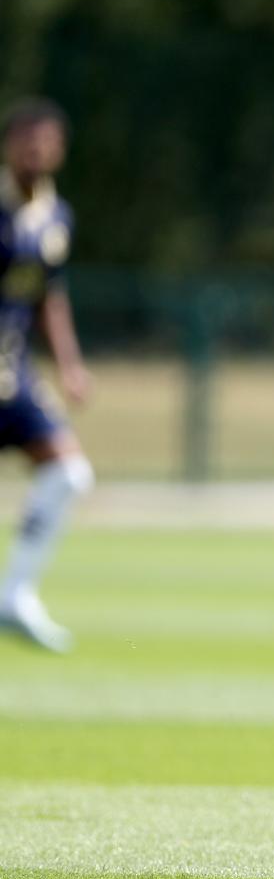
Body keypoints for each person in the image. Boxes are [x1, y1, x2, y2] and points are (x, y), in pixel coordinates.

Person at [0, 98, 94, 653]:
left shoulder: (56, 217)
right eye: (27, 138)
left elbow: (48, 297)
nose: (36, 149)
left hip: (12, 375)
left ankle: (14, 595)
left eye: (47, 141)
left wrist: (69, 365)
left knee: (68, 473)